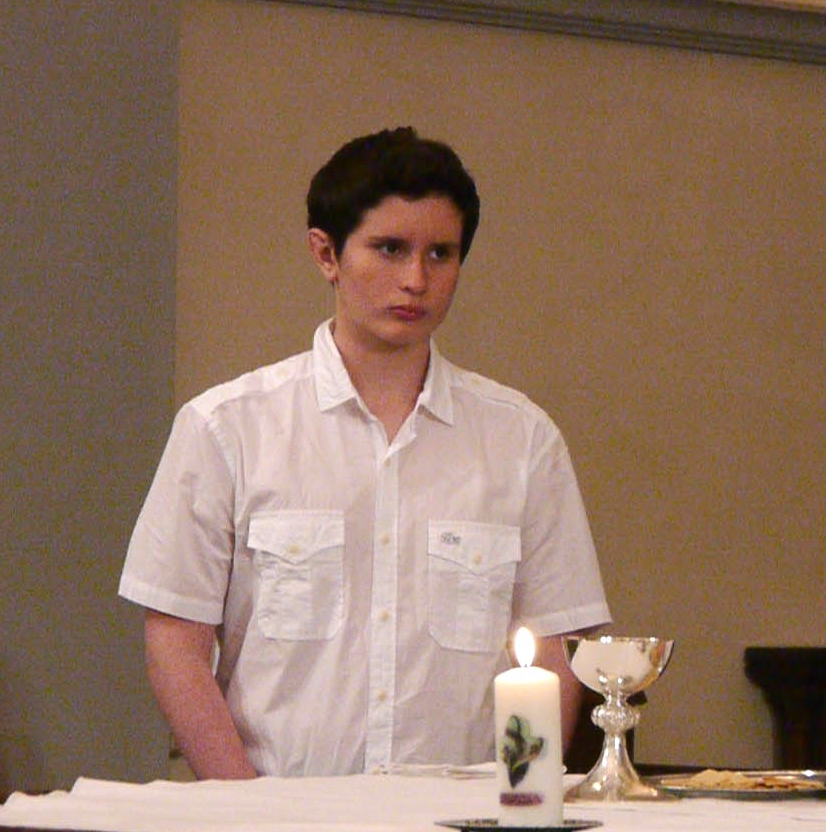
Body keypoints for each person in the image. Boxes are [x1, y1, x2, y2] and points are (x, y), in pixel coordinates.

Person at [121, 127, 611, 779]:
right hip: (279, 813)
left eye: (440, 254)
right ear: (326, 253)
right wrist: (244, 808)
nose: (416, 280)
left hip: (464, 822)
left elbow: (555, 644)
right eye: (390, 249)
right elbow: (175, 646)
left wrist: (524, 799)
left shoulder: (521, 439)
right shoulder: (226, 428)